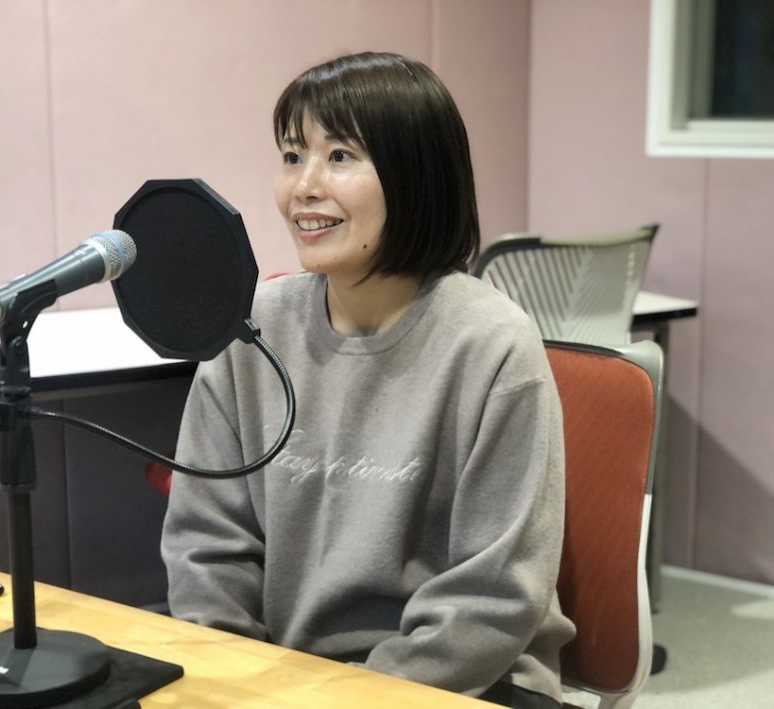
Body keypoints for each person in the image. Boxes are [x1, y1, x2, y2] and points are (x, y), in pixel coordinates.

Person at [160, 51, 575, 708]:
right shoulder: (252, 328)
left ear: (415, 176)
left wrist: (347, 697)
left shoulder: (491, 343)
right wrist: (233, 675)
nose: (304, 185)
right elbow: (206, 546)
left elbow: (493, 597)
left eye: (340, 156)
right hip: (283, 679)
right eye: (292, 155)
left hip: (467, 680)